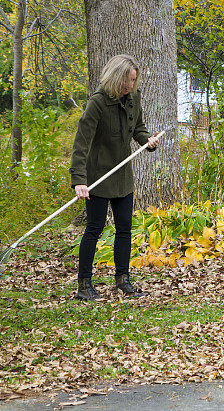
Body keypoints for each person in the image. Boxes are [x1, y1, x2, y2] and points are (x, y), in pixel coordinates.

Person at [70, 54, 160, 301]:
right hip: (98, 177)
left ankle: (123, 279)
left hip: (122, 176)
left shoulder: (134, 98)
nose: (131, 85)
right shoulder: (97, 103)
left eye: (134, 80)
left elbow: (138, 128)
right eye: (127, 80)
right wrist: (79, 179)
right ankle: (84, 285)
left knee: (124, 229)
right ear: (116, 78)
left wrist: (147, 141)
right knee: (94, 229)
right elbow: (81, 143)